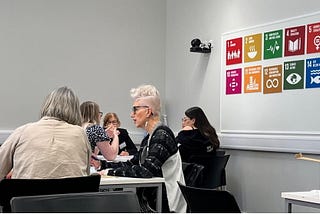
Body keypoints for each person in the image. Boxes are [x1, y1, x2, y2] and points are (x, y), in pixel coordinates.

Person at [94, 84, 187, 213]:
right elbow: (134, 163)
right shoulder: (150, 137)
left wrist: (110, 172)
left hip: (167, 206)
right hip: (152, 202)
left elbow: (145, 171)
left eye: (135, 109)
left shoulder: (162, 135)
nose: (132, 115)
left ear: (148, 111)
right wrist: (102, 165)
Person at [0, 86, 91, 179]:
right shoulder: (80, 135)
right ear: (76, 111)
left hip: (26, 193)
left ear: (47, 105)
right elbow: (85, 173)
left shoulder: (22, 132)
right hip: (71, 192)